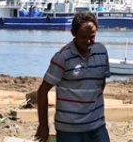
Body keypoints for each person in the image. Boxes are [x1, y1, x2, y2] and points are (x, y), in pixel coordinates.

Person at [35, 12, 110, 142]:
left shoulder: (101, 52)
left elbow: (100, 83)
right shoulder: (62, 57)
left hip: (97, 126)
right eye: (83, 37)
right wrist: (43, 125)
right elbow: (42, 92)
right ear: (73, 33)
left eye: (92, 37)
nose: (88, 41)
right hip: (69, 129)